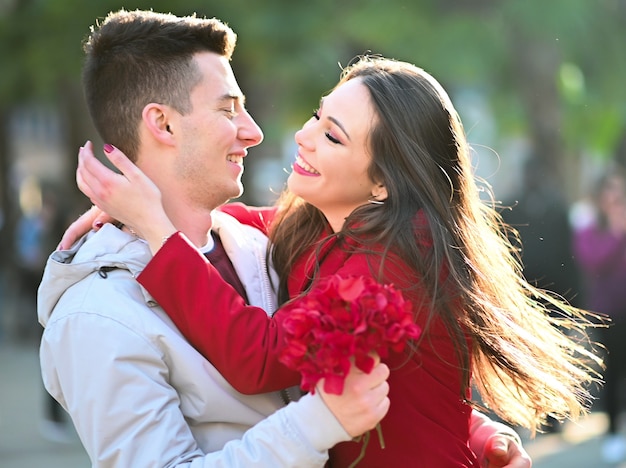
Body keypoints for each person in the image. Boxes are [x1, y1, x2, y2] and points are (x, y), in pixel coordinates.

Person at [70, 56, 601, 466]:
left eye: (332, 135)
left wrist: (158, 232)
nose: (303, 135)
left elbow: (259, 358)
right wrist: (137, 210)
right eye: (318, 115)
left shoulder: (393, 263)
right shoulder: (331, 225)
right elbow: (236, 221)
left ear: (383, 182)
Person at [38, 10, 392, 467]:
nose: (254, 131)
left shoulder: (262, 246)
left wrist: (476, 435)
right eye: (228, 109)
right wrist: (317, 423)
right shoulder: (98, 314)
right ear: (163, 124)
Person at [572, 166, 626, 464]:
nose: (615, 198)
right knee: (613, 372)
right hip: (608, 313)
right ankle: (613, 433)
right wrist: (618, 234)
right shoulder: (589, 226)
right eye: (609, 191)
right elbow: (594, 260)